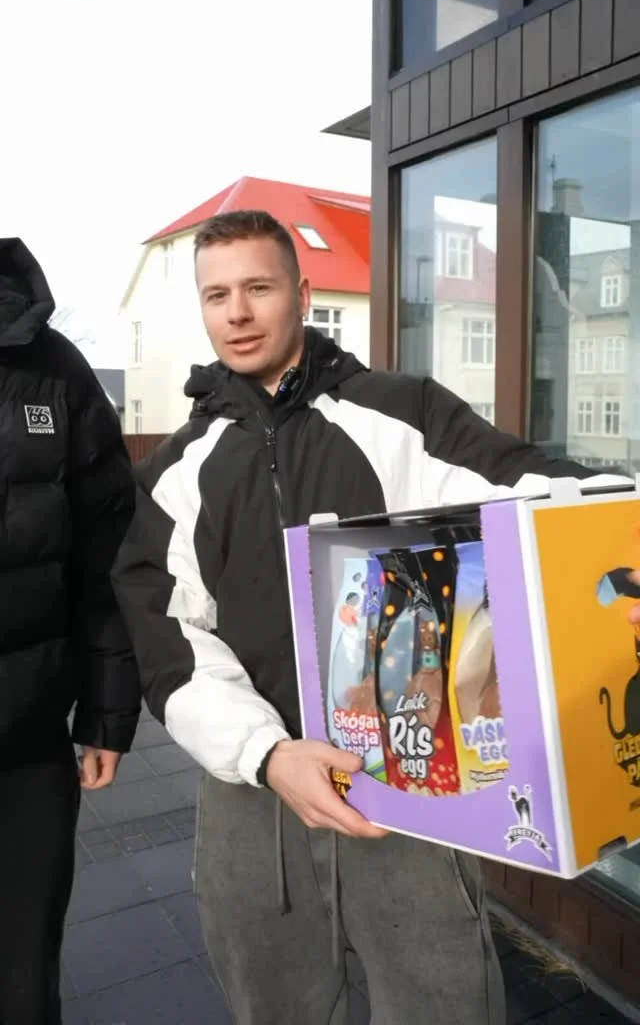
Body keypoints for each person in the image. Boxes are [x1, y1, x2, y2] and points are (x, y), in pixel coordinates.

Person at [112, 210, 622, 1025]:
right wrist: (265, 752)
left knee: (444, 1006)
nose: (237, 313)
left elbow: (539, 490)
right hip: (255, 791)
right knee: (274, 1011)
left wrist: (618, 531)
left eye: (257, 287)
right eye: (217, 295)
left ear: (302, 292)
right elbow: (169, 642)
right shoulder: (177, 470)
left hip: (404, 780)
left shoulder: (403, 413)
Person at [0, 237, 141, 1025]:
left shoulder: (55, 371)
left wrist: (106, 714)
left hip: (24, 749)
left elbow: (107, 555)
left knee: (23, 989)